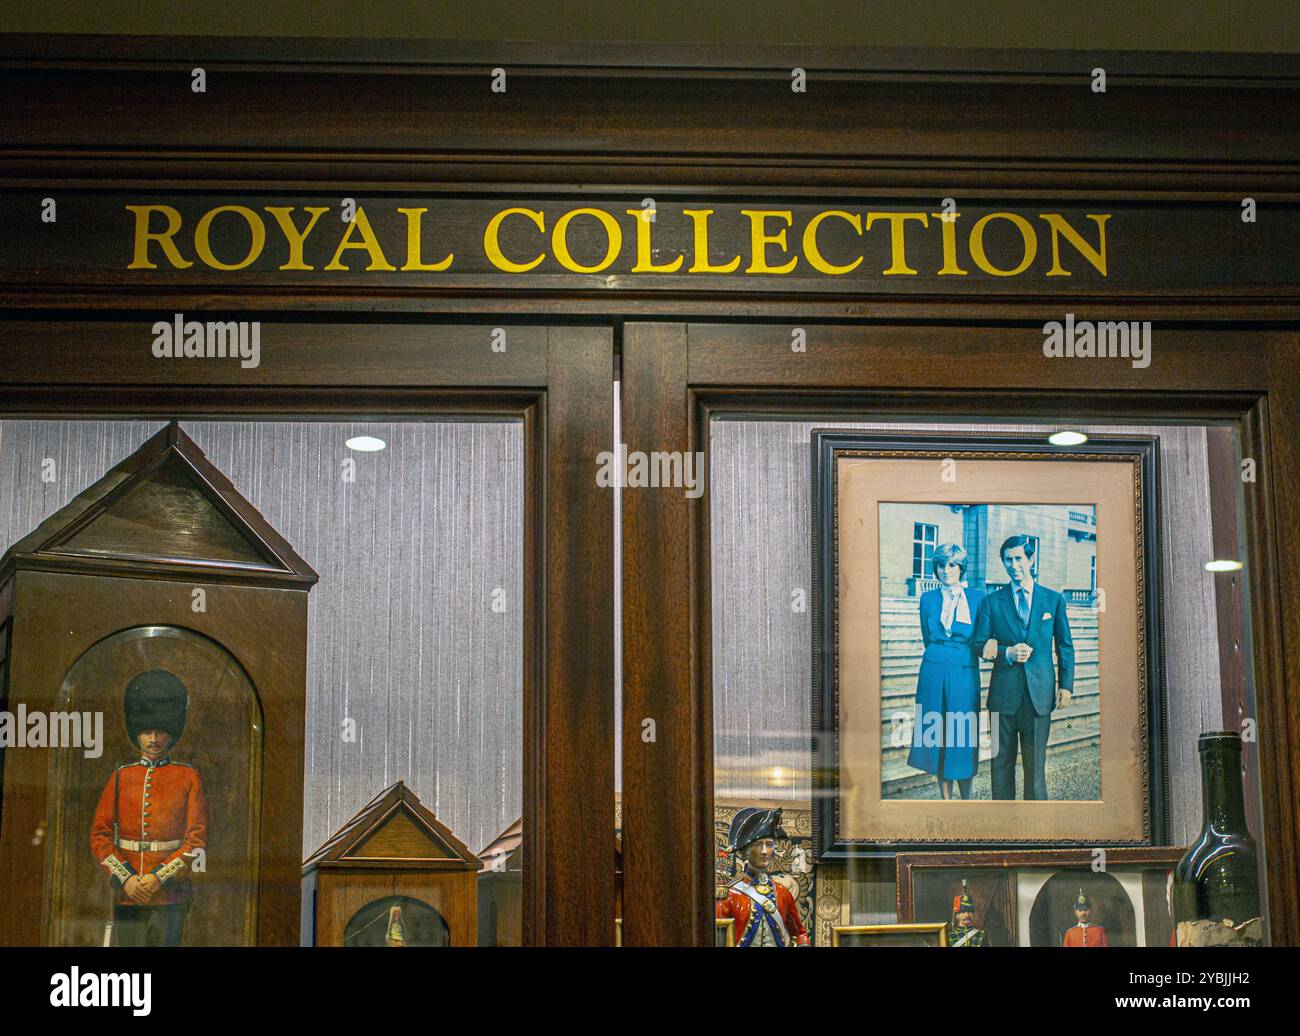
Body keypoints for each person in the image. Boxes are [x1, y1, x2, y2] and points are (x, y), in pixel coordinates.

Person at [90, 669, 208, 947]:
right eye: (146, 731)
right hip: (127, 893)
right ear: (136, 733)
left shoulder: (188, 777)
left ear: (172, 734)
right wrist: (127, 879)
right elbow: (100, 836)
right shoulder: (121, 776)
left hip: (172, 893)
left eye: (160, 732)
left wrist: (158, 878)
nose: (153, 739)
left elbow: (196, 839)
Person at [972, 535, 1075, 800]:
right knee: (1000, 767)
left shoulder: (1053, 600)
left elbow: (1065, 645)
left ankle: (1035, 831)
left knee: (1035, 771)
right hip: (1003, 697)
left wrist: (1066, 685)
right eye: (1008, 559)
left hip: (1038, 697)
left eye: (1019, 558)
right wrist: (1006, 652)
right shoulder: (991, 602)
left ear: (1031, 559)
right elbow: (977, 643)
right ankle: (1003, 831)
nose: (1014, 564)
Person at [906, 543, 986, 800]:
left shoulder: (978, 597)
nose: (946, 570)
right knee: (937, 733)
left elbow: (982, 636)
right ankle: (946, 801)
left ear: (961, 568)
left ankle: (967, 800)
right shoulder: (928, 599)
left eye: (952, 565)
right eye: (941, 565)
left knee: (962, 734)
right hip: (933, 670)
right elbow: (927, 636)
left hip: (964, 670)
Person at [716, 807, 808, 947]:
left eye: (769, 845)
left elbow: (800, 934)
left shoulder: (782, 893)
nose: (764, 851)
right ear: (746, 850)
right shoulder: (729, 895)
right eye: (758, 845)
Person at [946, 881, 989, 947]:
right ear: (956, 915)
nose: (967, 915)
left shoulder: (981, 935)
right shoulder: (950, 936)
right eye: (963, 912)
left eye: (969, 911)